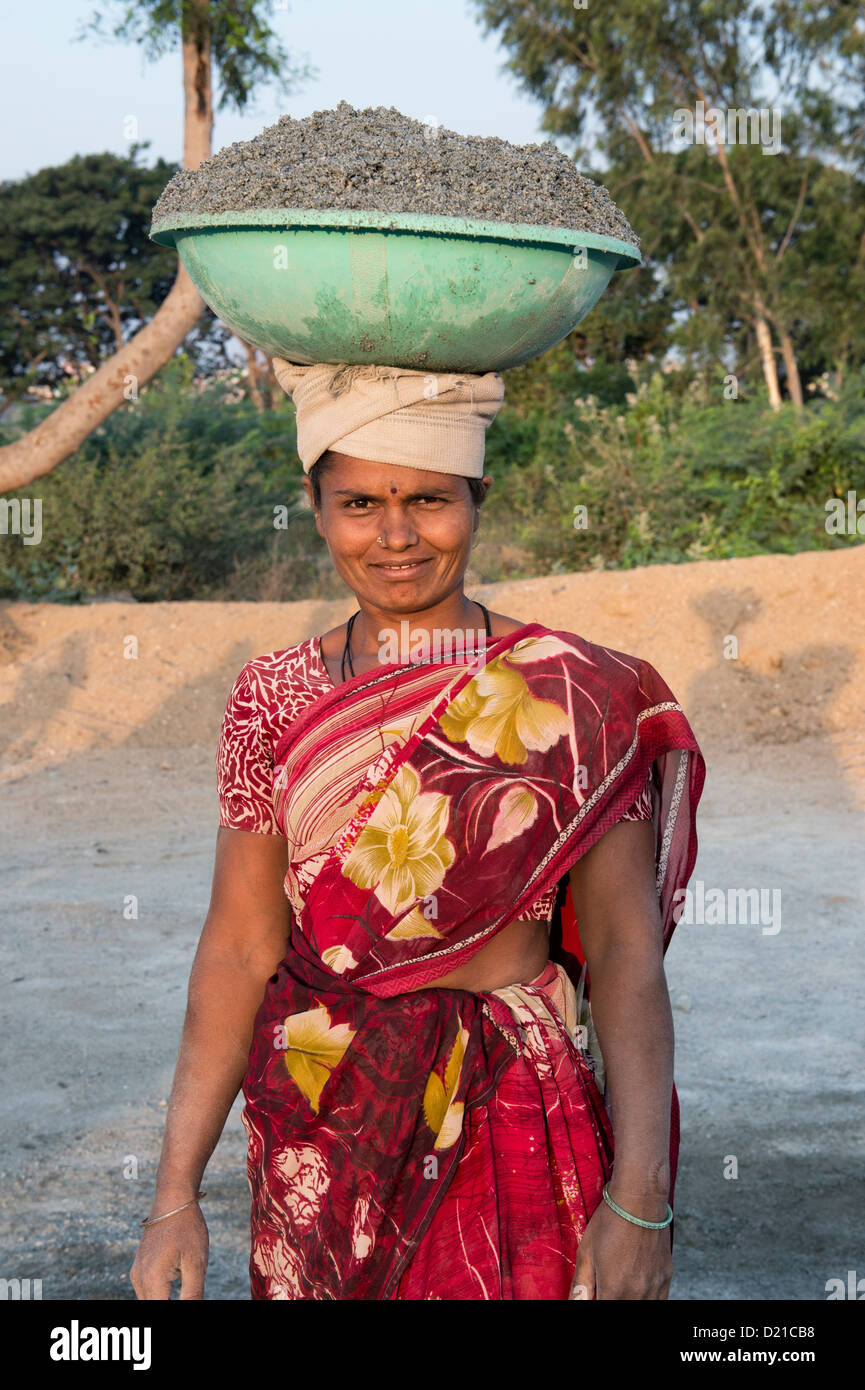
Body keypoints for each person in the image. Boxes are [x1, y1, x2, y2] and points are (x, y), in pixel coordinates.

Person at [130, 360, 705, 1301]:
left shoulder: (575, 693)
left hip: (511, 1108)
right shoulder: (271, 697)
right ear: (314, 508)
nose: (395, 536)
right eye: (358, 502)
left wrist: (641, 1197)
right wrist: (171, 1196)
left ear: (478, 499)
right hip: (321, 1121)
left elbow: (623, 949)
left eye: (429, 500)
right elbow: (238, 948)